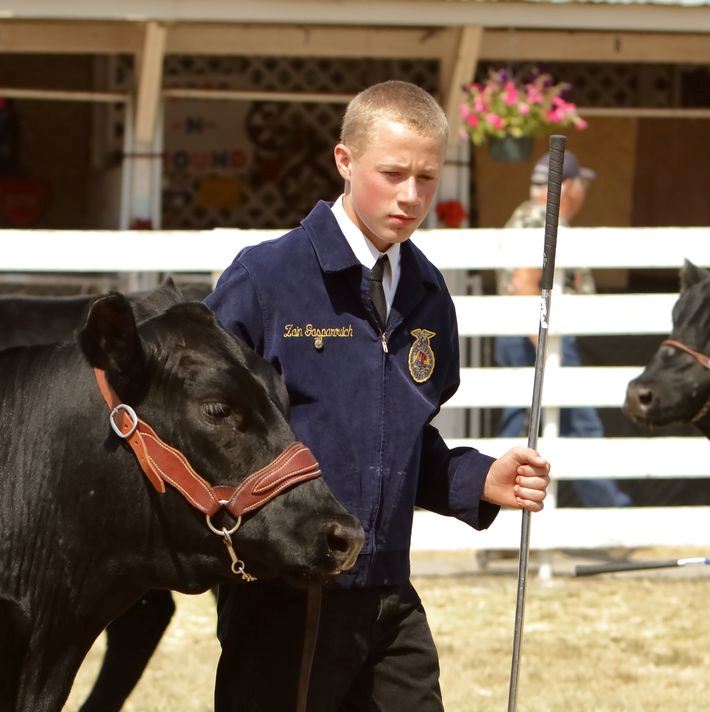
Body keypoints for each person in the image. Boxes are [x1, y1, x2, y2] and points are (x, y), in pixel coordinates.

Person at [205, 80, 551, 711]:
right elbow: (203, 422)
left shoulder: (426, 290)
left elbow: (403, 438)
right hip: (286, 597)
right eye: (392, 173)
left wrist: (479, 479)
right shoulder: (265, 278)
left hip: (390, 591)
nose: (411, 196)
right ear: (344, 161)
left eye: (427, 176)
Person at [495, 150, 630, 507]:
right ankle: (612, 515)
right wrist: (545, 345)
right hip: (540, 338)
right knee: (579, 424)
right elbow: (525, 281)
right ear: (568, 186)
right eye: (582, 184)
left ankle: (498, 519)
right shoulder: (544, 217)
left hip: (517, 334)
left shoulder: (523, 214)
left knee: (521, 424)